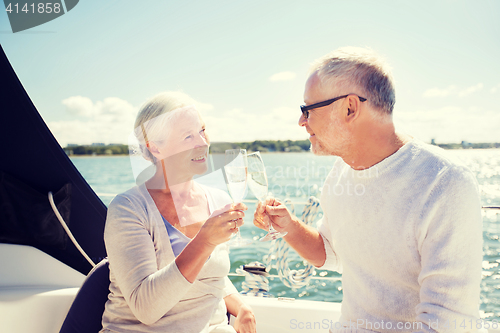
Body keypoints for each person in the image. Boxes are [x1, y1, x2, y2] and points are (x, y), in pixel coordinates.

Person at [254, 47, 485, 332]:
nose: (301, 121)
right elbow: (331, 254)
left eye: (307, 109)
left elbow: (447, 324)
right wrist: (289, 226)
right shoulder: (341, 172)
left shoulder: (445, 183)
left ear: (349, 107)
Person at [101, 92, 256, 333]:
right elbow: (147, 309)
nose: (203, 143)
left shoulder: (218, 200)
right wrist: (204, 241)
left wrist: (240, 305)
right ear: (156, 148)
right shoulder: (128, 209)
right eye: (188, 136)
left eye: (202, 131)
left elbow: (208, 276)